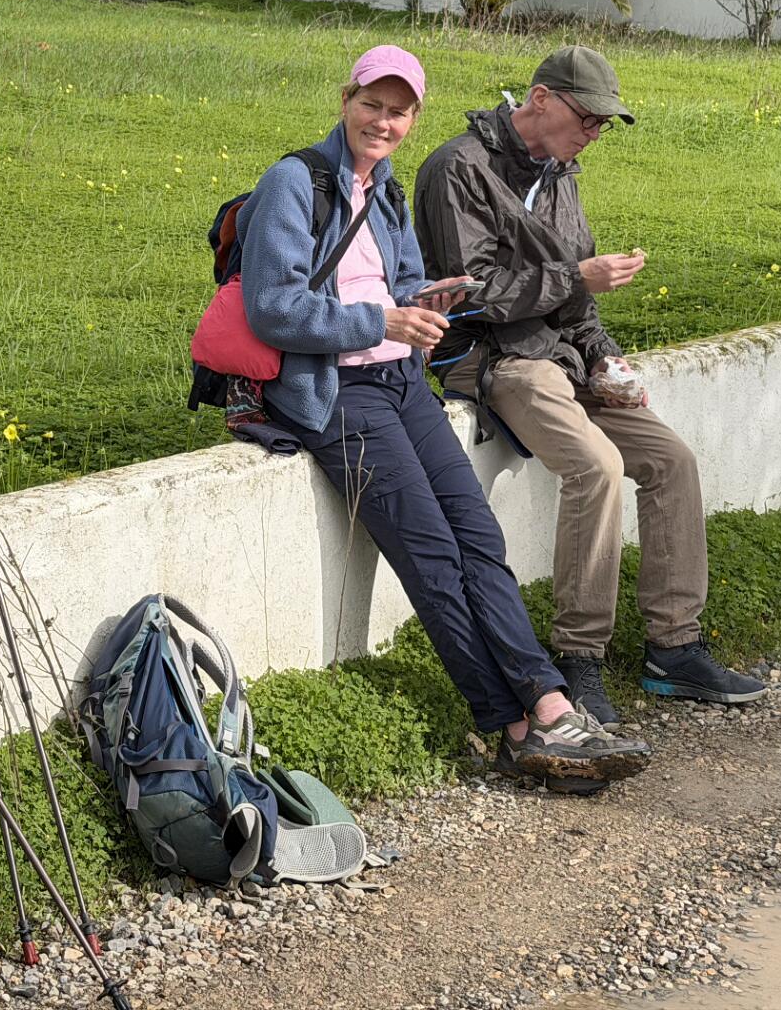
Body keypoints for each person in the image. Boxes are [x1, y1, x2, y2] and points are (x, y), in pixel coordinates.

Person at [236, 45, 652, 786]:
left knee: (477, 539)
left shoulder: (386, 190)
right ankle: (516, 725)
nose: (383, 122)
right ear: (346, 100)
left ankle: (548, 705)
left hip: (400, 381)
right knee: (431, 555)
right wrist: (383, 321)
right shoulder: (294, 183)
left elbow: (401, 284)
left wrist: (431, 300)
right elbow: (273, 308)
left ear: (413, 118)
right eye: (372, 104)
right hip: (337, 392)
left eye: (398, 112)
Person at [412, 45, 767, 730]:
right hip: (492, 357)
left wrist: (606, 360)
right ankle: (579, 658)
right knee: (597, 466)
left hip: (562, 358)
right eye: (588, 118)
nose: (595, 134)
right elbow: (469, 294)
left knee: (671, 459)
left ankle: (674, 648)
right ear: (541, 98)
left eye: (604, 124)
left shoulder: (561, 173)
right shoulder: (459, 167)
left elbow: (578, 303)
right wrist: (577, 277)